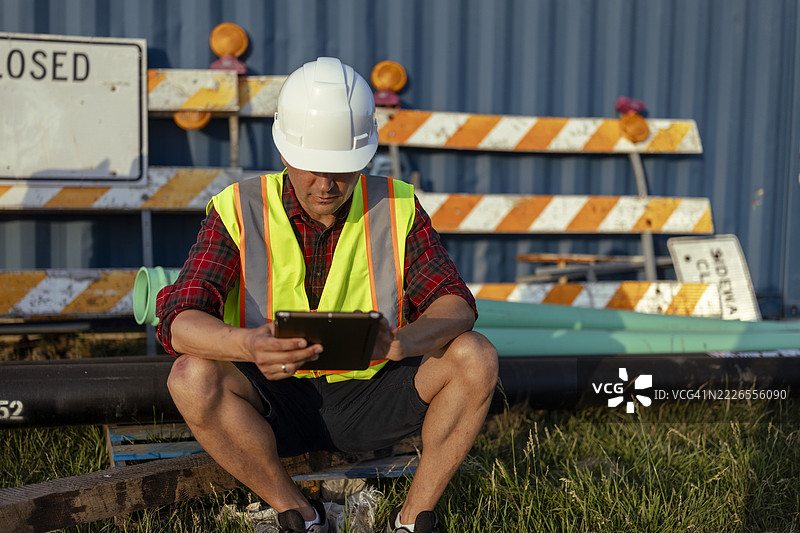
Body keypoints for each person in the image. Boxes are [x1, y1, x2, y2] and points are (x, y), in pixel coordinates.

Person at [156, 57, 498, 533]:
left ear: (364, 158)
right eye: (311, 168)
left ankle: (412, 519)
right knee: (190, 377)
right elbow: (181, 318)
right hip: (273, 396)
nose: (325, 185)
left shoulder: (397, 205)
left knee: (475, 356)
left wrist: (405, 341)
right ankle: (298, 514)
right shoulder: (237, 208)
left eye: (341, 169)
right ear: (284, 152)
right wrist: (250, 345)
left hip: (373, 392)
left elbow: (455, 303)